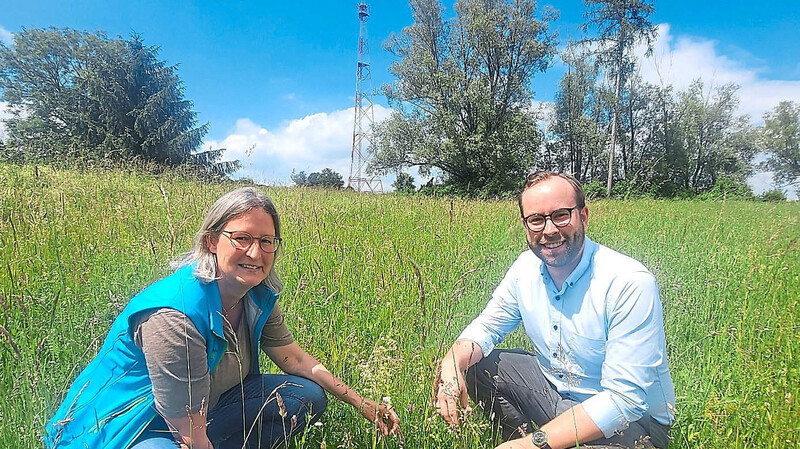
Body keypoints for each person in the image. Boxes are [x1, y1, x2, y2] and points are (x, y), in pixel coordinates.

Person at [45, 187, 400, 449]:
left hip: (203, 412)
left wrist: (362, 403)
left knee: (305, 395)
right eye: (241, 238)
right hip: (133, 427)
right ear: (213, 241)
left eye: (266, 241)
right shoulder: (175, 315)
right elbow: (188, 429)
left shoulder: (256, 294)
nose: (255, 252)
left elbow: (293, 358)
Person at [434, 172, 675, 449]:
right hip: (557, 394)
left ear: (583, 217)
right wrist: (452, 364)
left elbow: (625, 401)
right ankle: (524, 440)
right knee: (477, 365)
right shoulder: (525, 269)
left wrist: (531, 444)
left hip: (635, 425)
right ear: (525, 226)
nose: (549, 230)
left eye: (561, 215)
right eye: (536, 220)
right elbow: (486, 328)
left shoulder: (628, 282)